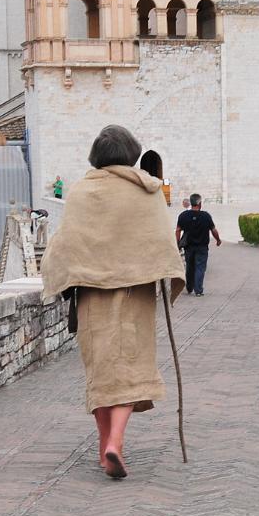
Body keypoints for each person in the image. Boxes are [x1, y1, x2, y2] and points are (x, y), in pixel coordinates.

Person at [42, 125, 185, 480]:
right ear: (130, 154)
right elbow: (161, 239)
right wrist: (167, 273)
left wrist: (61, 278)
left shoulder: (80, 192)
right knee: (131, 367)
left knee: (102, 369)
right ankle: (115, 443)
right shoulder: (147, 191)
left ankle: (104, 441)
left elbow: (65, 243)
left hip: (92, 292)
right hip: (135, 292)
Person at [175, 193, 221, 296]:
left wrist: (178, 243)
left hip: (188, 247)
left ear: (191, 203)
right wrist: (218, 240)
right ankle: (198, 290)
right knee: (200, 267)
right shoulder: (206, 216)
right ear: (199, 203)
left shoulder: (183, 215)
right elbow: (213, 230)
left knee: (190, 267)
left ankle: (189, 287)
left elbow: (178, 230)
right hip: (202, 247)